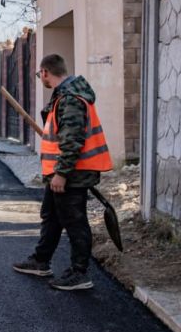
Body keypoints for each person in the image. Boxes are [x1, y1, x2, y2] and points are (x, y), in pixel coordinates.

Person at [12, 54, 113, 291]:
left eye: (40, 75)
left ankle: (79, 273)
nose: (41, 79)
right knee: (52, 216)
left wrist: (62, 174)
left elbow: (73, 141)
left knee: (75, 222)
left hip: (72, 174)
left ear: (46, 72)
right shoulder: (64, 97)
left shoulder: (70, 100)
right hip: (62, 173)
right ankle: (41, 261)